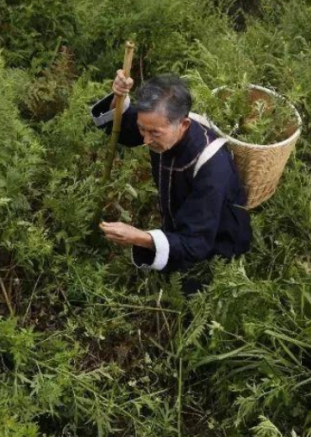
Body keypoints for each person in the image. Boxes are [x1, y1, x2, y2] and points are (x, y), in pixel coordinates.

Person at [93, 70, 251, 293]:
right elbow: (125, 130)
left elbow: (196, 241)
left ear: (184, 125)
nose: (146, 140)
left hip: (217, 238)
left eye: (154, 134)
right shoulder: (160, 125)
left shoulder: (213, 166)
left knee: (191, 290)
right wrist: (118, 97)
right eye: (142, 129)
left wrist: (139, 237)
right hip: (184, 221)